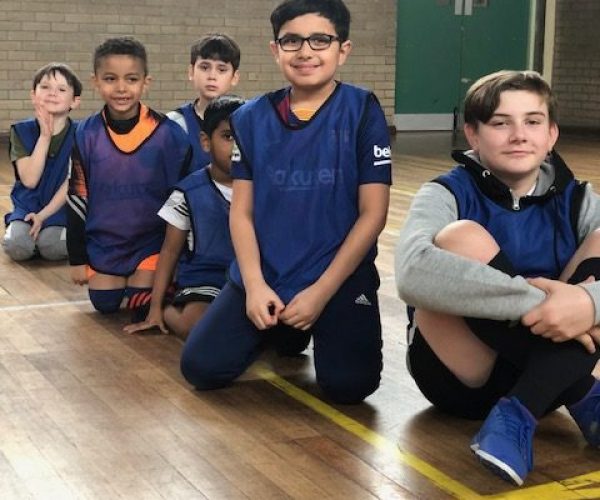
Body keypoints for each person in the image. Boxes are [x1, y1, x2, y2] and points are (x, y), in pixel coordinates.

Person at [180, 0, 392, 405]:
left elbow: (374, 213)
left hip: (337, 277)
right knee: (201, 369)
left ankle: (303, 324)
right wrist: (256, 286)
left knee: (350, 387)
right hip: (269, 274)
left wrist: (320, 292)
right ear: (276, 49)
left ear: (342, 49)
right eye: (291, 40)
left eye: (320, 40)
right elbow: (240, 213)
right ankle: (283, 328)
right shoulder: (250, 118)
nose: (305, 51)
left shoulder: (362, 110)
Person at [396, 70, 600, 487]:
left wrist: (587, 304)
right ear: (472, 134)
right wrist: (548, 306)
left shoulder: (579, 197)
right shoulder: (445, 193)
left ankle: (518, 413)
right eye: (500, 122)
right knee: (460, 237)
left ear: (551, 134)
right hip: (462, 377)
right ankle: (584, 395)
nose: (518, 135)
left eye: (532, 121)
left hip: (542, 382)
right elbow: (411, 273)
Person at [67, 37, 191, 321]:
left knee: (140, 306)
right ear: (96, 81)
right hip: (104, 244)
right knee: (105, 304)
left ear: (145, 82)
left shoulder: (168, 135)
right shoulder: (85, 134)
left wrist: (178, 260)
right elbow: (76, 198)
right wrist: (77, 259)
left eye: (131, 79)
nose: (121, 88)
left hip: (150, 243)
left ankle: (160, 282)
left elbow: (183, 200)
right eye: (110, 79)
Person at [123, 95, 245, 339]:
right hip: (206, 279)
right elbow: (169, 252)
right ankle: (160, 306)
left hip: (249, 278)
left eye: (245, 138)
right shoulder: (187, 193)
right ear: (206, 141)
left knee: (291, 338)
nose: (236, 147)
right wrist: (156, 309)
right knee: (197, 328)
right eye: (227, 137)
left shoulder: (265, 187)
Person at [3, 63, 82, 262]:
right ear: (33, 95)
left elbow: (70, 185)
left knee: (53, 247)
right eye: (45, 87)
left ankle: (56, 237)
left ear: (74, 101)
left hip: (61, 210)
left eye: (61, 89)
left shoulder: (83, 134)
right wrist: (44, 137)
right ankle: (24, 234)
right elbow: (30, 180)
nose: (52, 93)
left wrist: (43, 216)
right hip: (27, 208)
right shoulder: (21, 131)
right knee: (18, 247)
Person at [167, 33, 240, 172]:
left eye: (221, 69)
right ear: (191, 72)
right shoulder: (175, 124)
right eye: (205, 67)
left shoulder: (248, 122)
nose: (212, 76)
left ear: (234, 77)